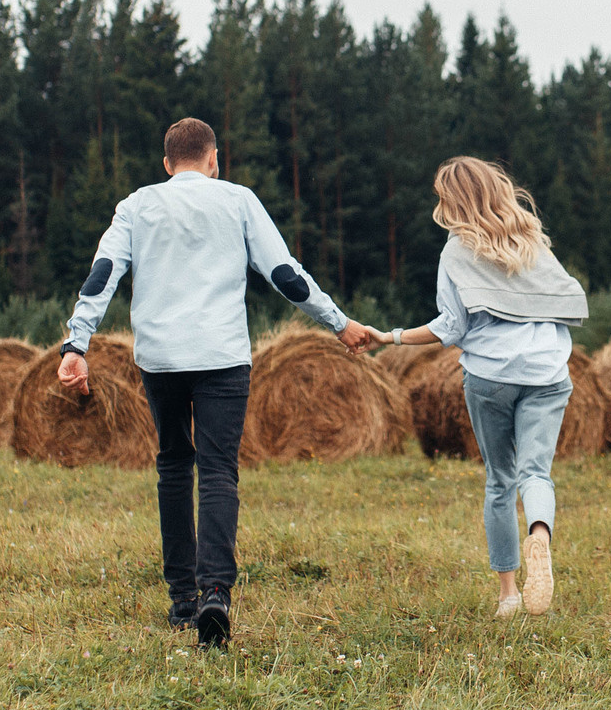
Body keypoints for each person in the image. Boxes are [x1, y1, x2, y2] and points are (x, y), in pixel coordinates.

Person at [59, 117, 381, 645]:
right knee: (217, 470)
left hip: (160, 358)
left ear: (167, 165)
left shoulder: (136, 205)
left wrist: (77, 343)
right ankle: (215, 594)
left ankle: (182, 599)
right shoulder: (237, 200)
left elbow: (103, 273)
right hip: (222, 356)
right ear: (214, 159)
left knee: (172, 465)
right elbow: (284, 274)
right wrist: (340, 324)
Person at [378, 156, 589, 617]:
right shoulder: (531, 239)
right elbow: (561, 296)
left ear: (451, 200)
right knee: (536, 474)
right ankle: (539, 535)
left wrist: (391, 336)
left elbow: (450, 327)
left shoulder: (456, 251)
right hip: (547, 374)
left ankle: (509, 595)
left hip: (492, 376)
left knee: (499, 480)